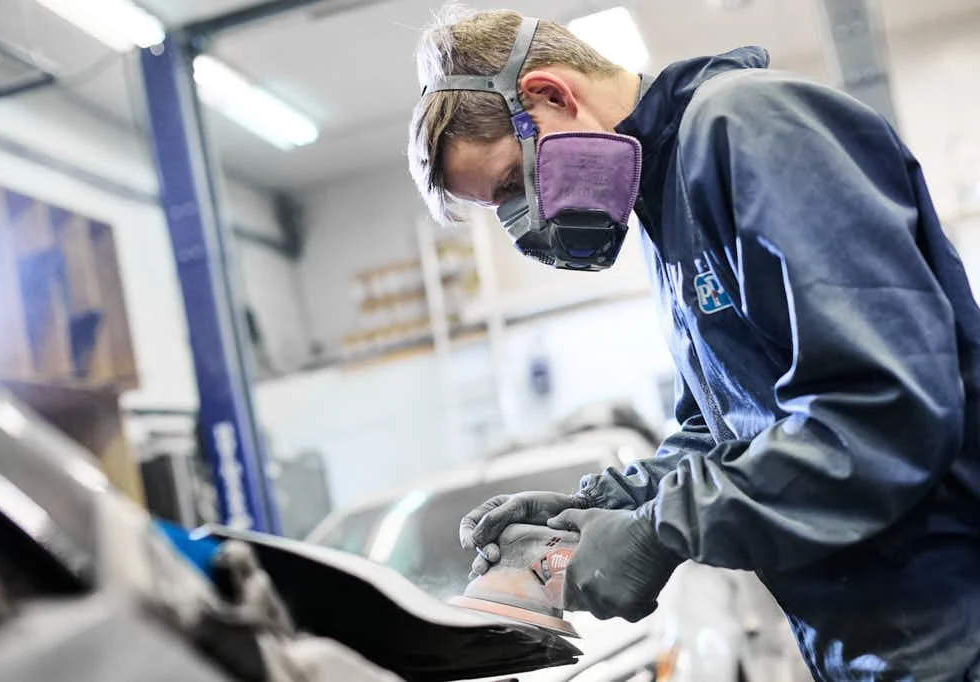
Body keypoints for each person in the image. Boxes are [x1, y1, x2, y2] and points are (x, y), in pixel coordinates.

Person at [407, 8, 980, 682]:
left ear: (551, 94)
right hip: (878, 641)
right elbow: (725, 432)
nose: (526, 220)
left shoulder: (749, 130)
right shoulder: (664, 199)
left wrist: (660, 532)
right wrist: (605, 503)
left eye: (511, 184)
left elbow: (884, 411)